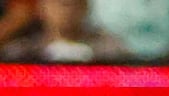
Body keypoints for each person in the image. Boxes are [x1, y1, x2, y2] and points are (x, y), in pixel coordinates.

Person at [0, 0, 130, 62]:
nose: (66, 12)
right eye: (59, 3)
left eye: (72, 4)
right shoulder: (20, 53)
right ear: (41, 8)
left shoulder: (110, 49)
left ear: (85, 7)